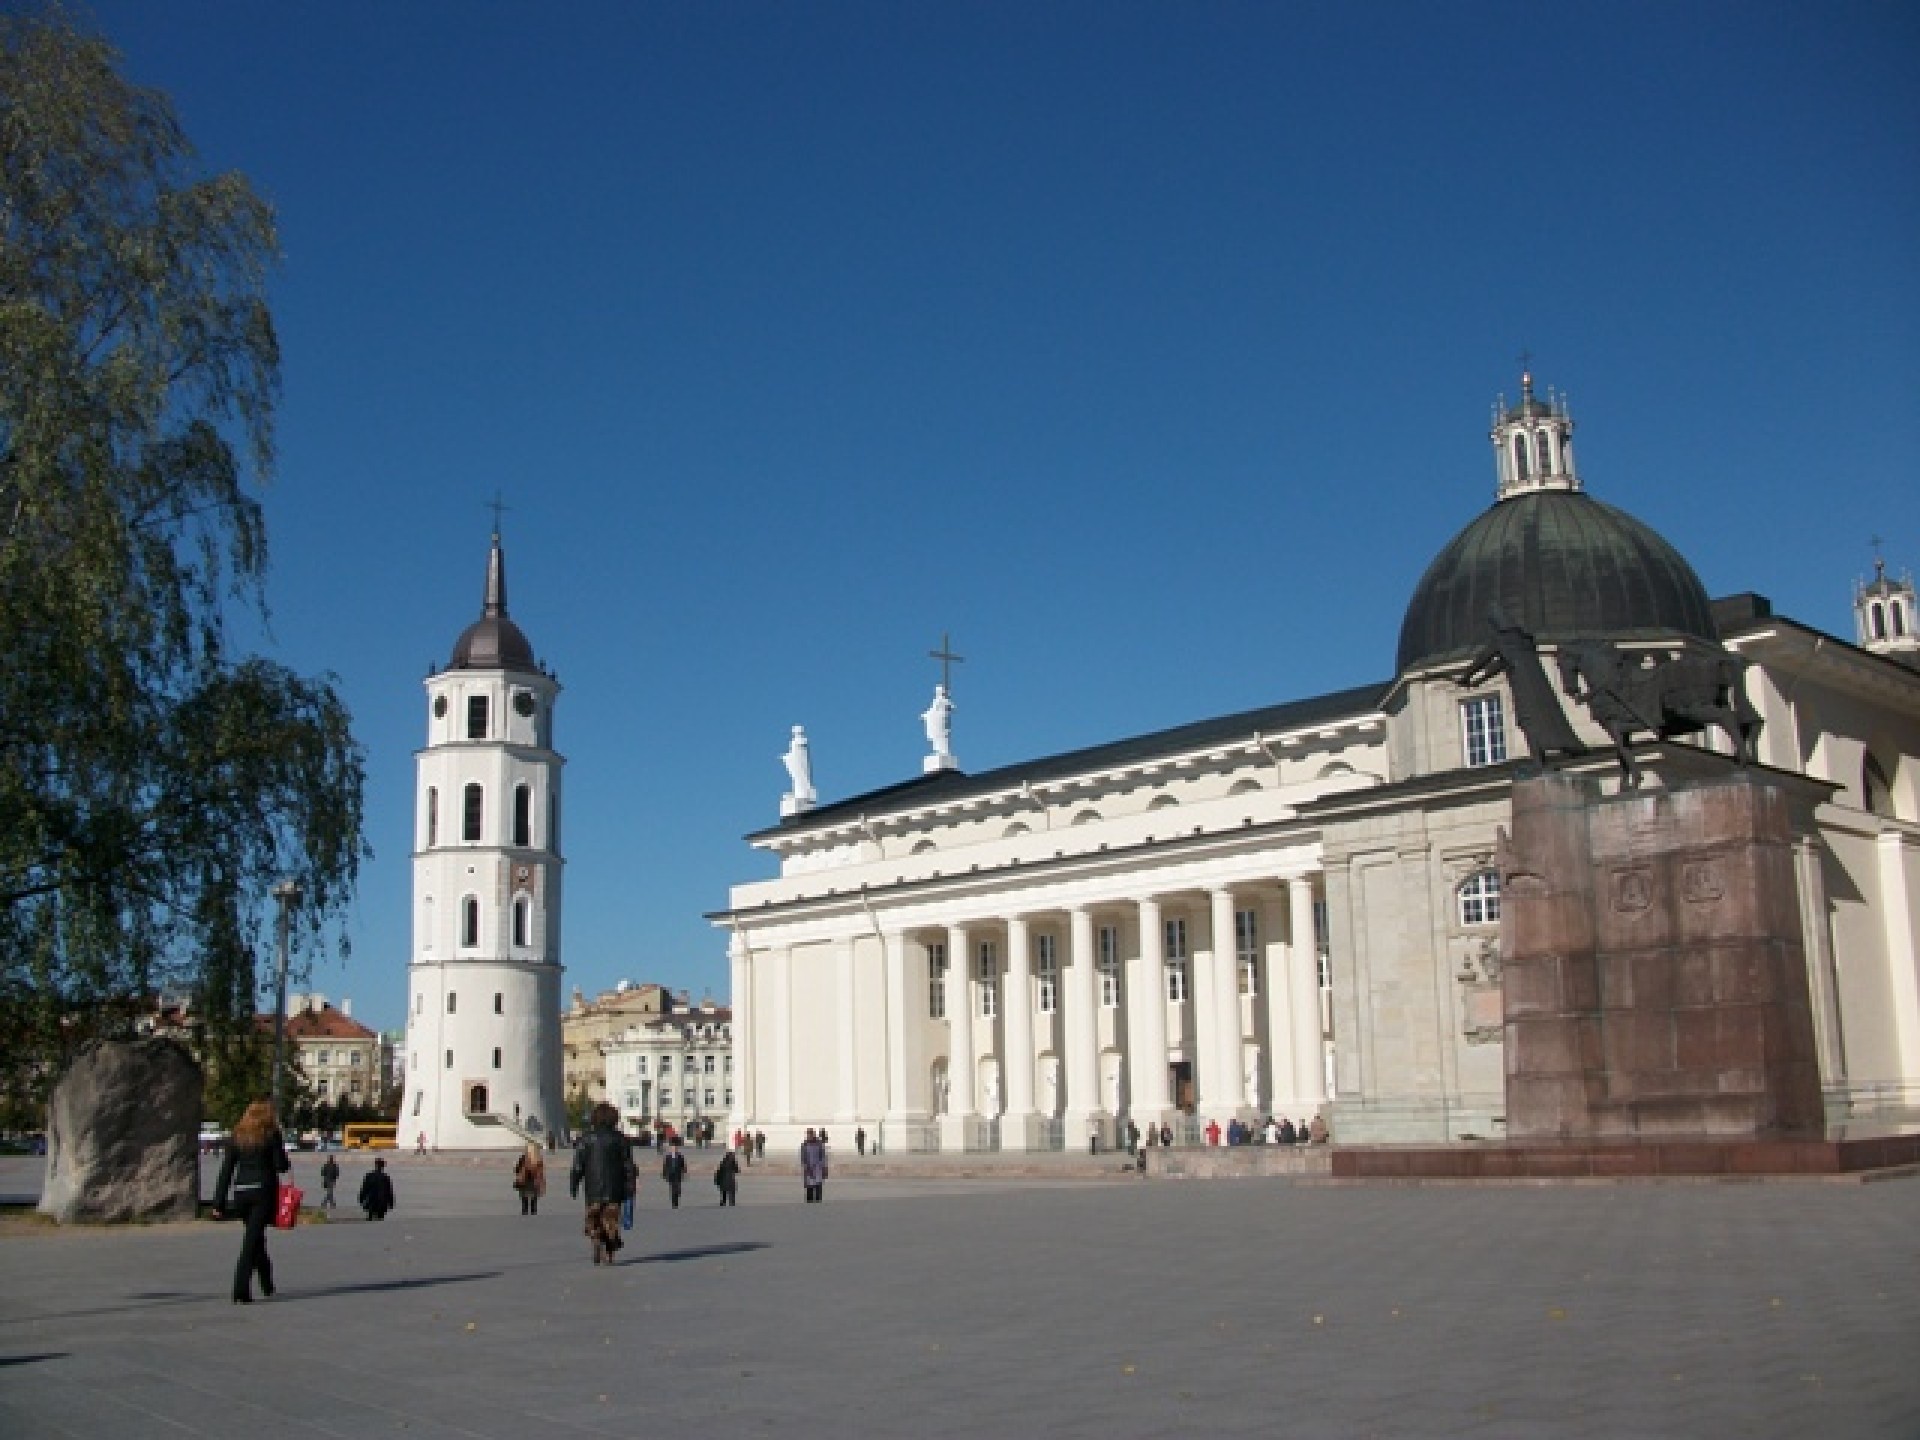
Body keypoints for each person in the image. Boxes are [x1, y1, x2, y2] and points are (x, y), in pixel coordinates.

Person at [212, 1098, 290, 1304]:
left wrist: (218, 1203)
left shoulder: (237, 1136)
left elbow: (226, 1171)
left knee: (256, 1237)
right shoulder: (271, 1135)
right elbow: (281, 1165)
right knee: (250, 1241)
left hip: (241, 1192)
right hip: (263, 1192)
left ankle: (267, 1283)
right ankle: (240, 1289)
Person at [569, 1102, 638, 1266]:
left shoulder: (586, 1139)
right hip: (615, 1188)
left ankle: (595, 1236)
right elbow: (628, 1166)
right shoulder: (621, 1140)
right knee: (611, 1220)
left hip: (593, 1189)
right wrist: (630, 1186)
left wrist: (574, 1184)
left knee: (593, 1216)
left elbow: (578, 1165)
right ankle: (610, 1252)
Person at [513, 1142, 547, 1216]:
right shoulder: (538, 1159)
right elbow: (541, 1172)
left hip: (524, 1181)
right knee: (534, 1201)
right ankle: (533, 1212)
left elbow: (516, 1169)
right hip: (534, 1182)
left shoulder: (523, 1158)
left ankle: (525, 1212)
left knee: (524, 1199)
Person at [800, 1128, 828, 1203]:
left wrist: (824, 1166)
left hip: (818, 1167)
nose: (810, 1136)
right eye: (808, 1134)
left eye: (811, 1134)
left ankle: (818, 1199)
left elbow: (823, 1155)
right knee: (809, 1184)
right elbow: (803, 1156)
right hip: (809, 1167)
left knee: (818, 1184)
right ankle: (809, 1200)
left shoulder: (819, 1144)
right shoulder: (805, 1144)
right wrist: (805, 1165)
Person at [661, 1136, 688, 1209]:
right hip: (671, 1174)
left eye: (675, 1148)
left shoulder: (680, 1156)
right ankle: (674, 1203)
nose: (674, 1149)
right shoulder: (668, 1157)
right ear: (670, 1149)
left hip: (678, 1174)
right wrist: (664, 1174)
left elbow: (683, 1165)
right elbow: (665, 1166)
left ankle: (677, 1198)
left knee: (678, 1188)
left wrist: (684, 1172)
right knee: (673, 1189)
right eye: (672, 1148)